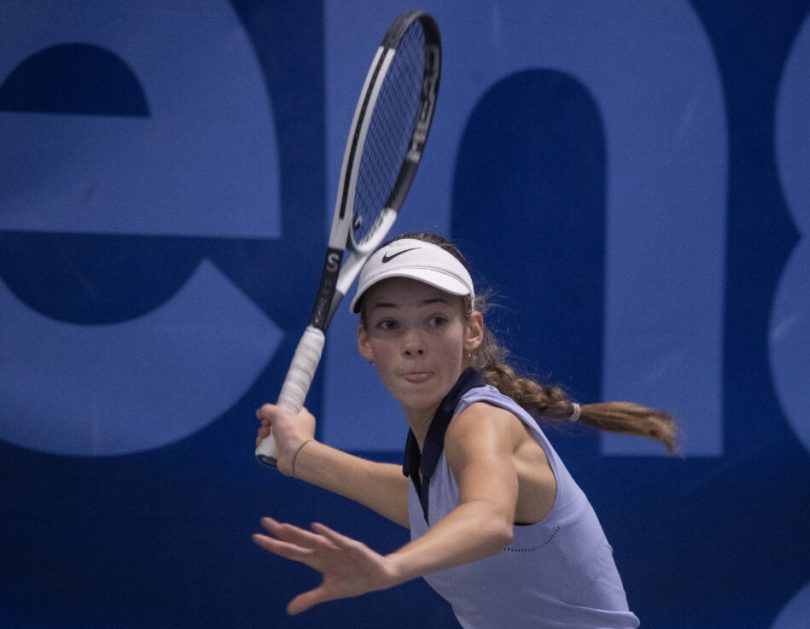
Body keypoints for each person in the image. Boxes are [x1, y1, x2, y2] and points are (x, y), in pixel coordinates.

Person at [253, 232, 677, 628]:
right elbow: (425, 504)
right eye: (390, 324)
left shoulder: (483, 420)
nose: (413, 343)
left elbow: (489, 518)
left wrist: (391, 567)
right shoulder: (439, 448)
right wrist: (302, 455)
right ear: (366, 342)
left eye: (436, 320)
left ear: (472, 330)